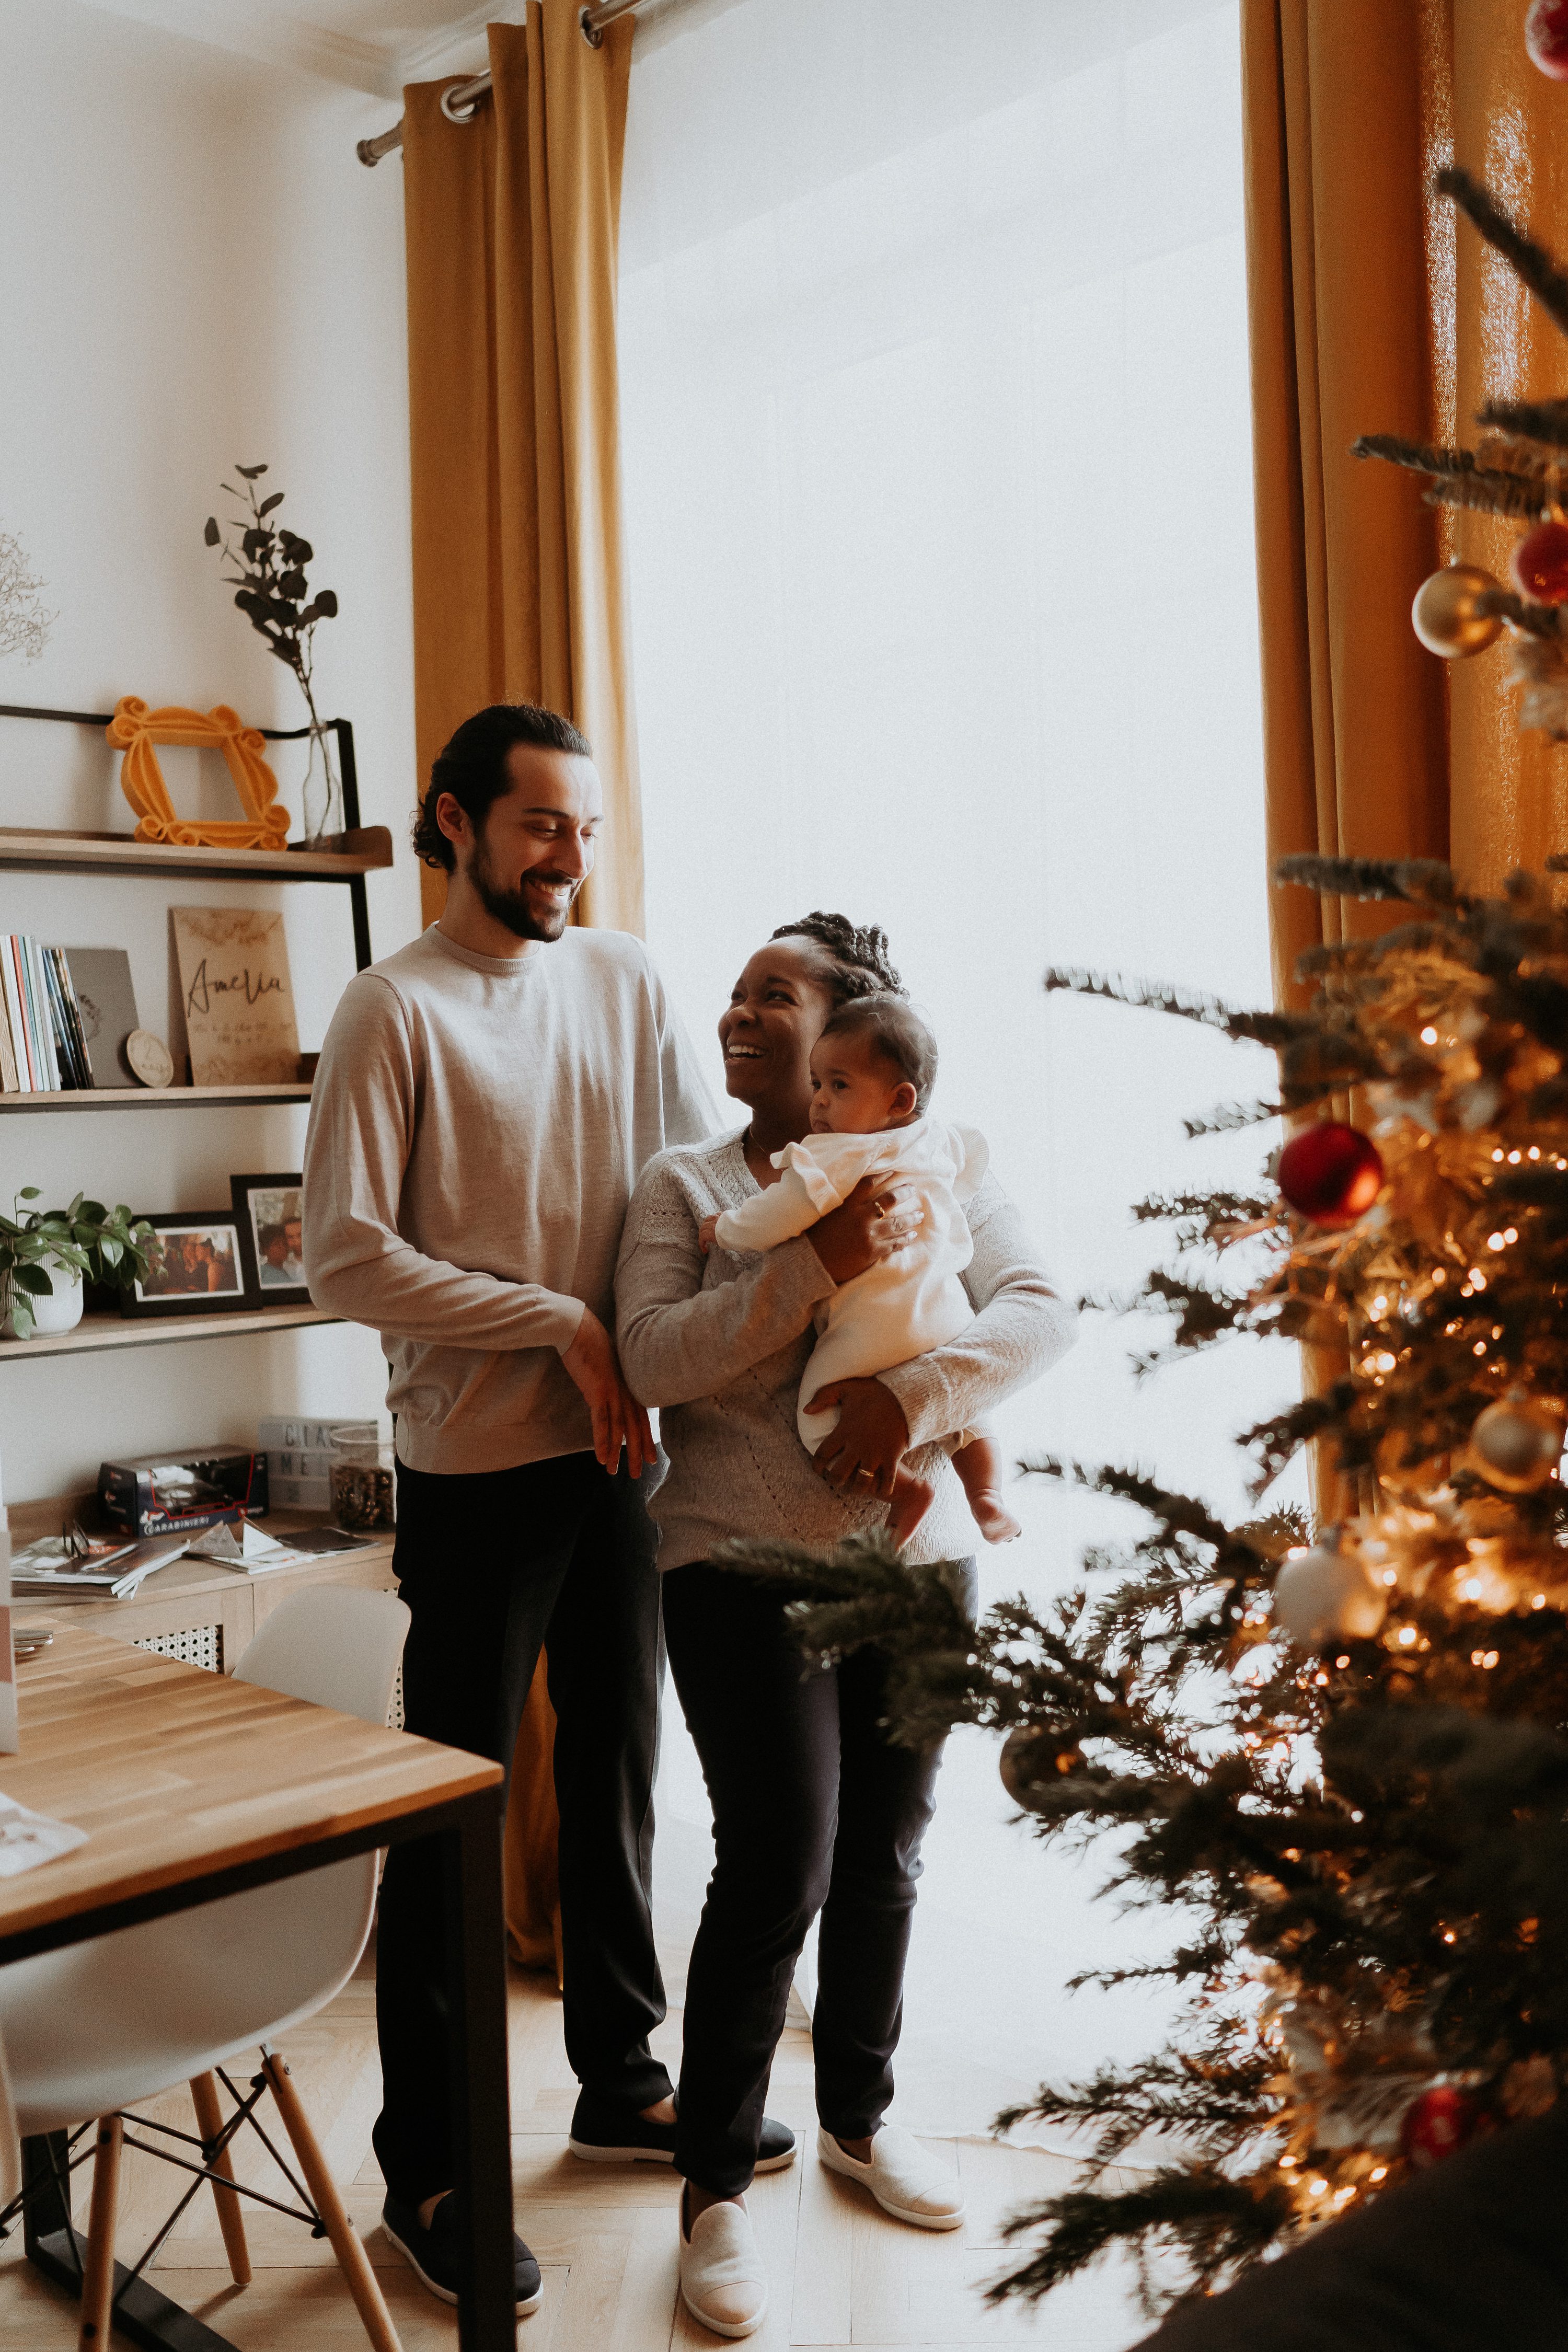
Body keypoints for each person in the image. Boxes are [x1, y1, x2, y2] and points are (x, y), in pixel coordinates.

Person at [302, 700, 736, 2317]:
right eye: (541, 823)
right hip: (474, 1465)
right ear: (455, 820)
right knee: (452, 1824)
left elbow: (689, 1179)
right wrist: (556, 1322)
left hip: (625, 1453)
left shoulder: (622, 979)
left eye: (585, 828)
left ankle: (623, 2081)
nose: (568, 855)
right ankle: (430, 2165)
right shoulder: (387, 1009)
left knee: (622, 1766)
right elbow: (343, 1252)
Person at [615, 912, 1076, 2339]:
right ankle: (713, 2188)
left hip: (917, 1559)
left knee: (885, 1850)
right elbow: (654, 1356)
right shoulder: (686, 1182)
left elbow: (1041, 1311)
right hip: (734, 1560)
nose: (745, 1013)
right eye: (739, 991)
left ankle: (859, 2119)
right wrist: (811, 1262)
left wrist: (910, 1401)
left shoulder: (946, 1151)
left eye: (779, 995)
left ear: (852, 1036)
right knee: (779, 1858)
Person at [700, 989, 1019, 1546]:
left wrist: (724, 1228)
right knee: (970, 1416)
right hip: (946, 1318)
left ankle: (904, 1490)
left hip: (873, 1330)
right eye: (819, 1083)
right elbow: (967, 1172)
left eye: (838, 1086)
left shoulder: (835, 1155)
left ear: (899, 1099)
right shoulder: (934, 1138)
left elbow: (778, 1215)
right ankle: (986, 1498)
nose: (819, 1102)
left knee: (819, 1417)